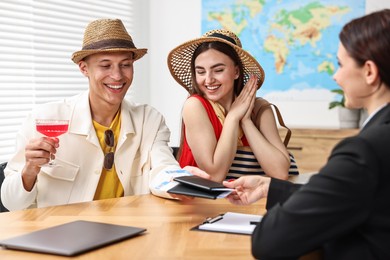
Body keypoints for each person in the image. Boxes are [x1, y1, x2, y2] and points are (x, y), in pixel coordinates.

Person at [224, 9, 390, 260]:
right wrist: (273, 188)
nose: (336, 76)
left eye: (341, 64)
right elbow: (355, 197)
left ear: (369, 71)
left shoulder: (364, 151)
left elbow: (268, 242)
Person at [1, 18, 207, 210]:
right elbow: (12, 203)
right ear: (84, 69)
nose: (117, 75)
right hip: (61, 235)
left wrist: (180, 180)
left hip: (130, 233)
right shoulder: (45, 118)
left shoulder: (149, 120)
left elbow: (163, 167)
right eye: (105, 65)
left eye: (125, 65)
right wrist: (29, 169)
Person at [167, 29, 290, 182]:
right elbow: (214, 176)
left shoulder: (259, 109)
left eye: (218, 70)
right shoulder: (194, 106)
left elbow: (280, 172)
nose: (208, 79)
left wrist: (246, 121)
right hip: (202, 203)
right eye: (201, 72)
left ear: (236, 71)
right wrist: (232, 118)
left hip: (252, 203)